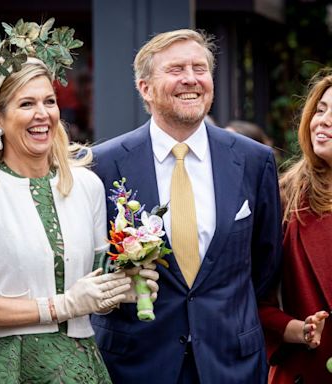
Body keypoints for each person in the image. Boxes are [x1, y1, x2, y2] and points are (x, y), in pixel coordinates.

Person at [0, 19, 143, 383]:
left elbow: (94, 285)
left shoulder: (86, 185)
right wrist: (61, 305)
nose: (43, 114)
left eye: (49, 101)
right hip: (4, 366)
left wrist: (123, 289)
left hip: (79, 361)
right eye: (26, 103)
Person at [90, 29, 283, 383]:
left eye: (200, 68)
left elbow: (265, 264)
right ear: (145, 87)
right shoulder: (101, 165)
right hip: (135, 363)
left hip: (231, 363)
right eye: (176, 69)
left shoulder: (254, 160)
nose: (191, 79)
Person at [258, 70, 332, 383]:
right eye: (321, 109)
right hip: (307, 369)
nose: (324, 120)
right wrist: (299, 331)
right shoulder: (284, 196)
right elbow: (252, 296)